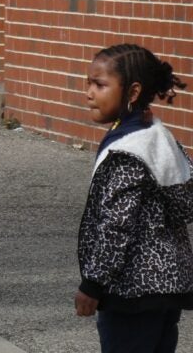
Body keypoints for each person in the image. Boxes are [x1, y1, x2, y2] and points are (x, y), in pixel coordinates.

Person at [76, 43, 193, 353]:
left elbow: (116, 225)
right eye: (88, 83)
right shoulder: (155, 134)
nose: (89, 93)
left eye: (99, 85)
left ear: (133, 92)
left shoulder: (127, 153)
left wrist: (93, 284)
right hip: (166, 288)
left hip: (132, 291)